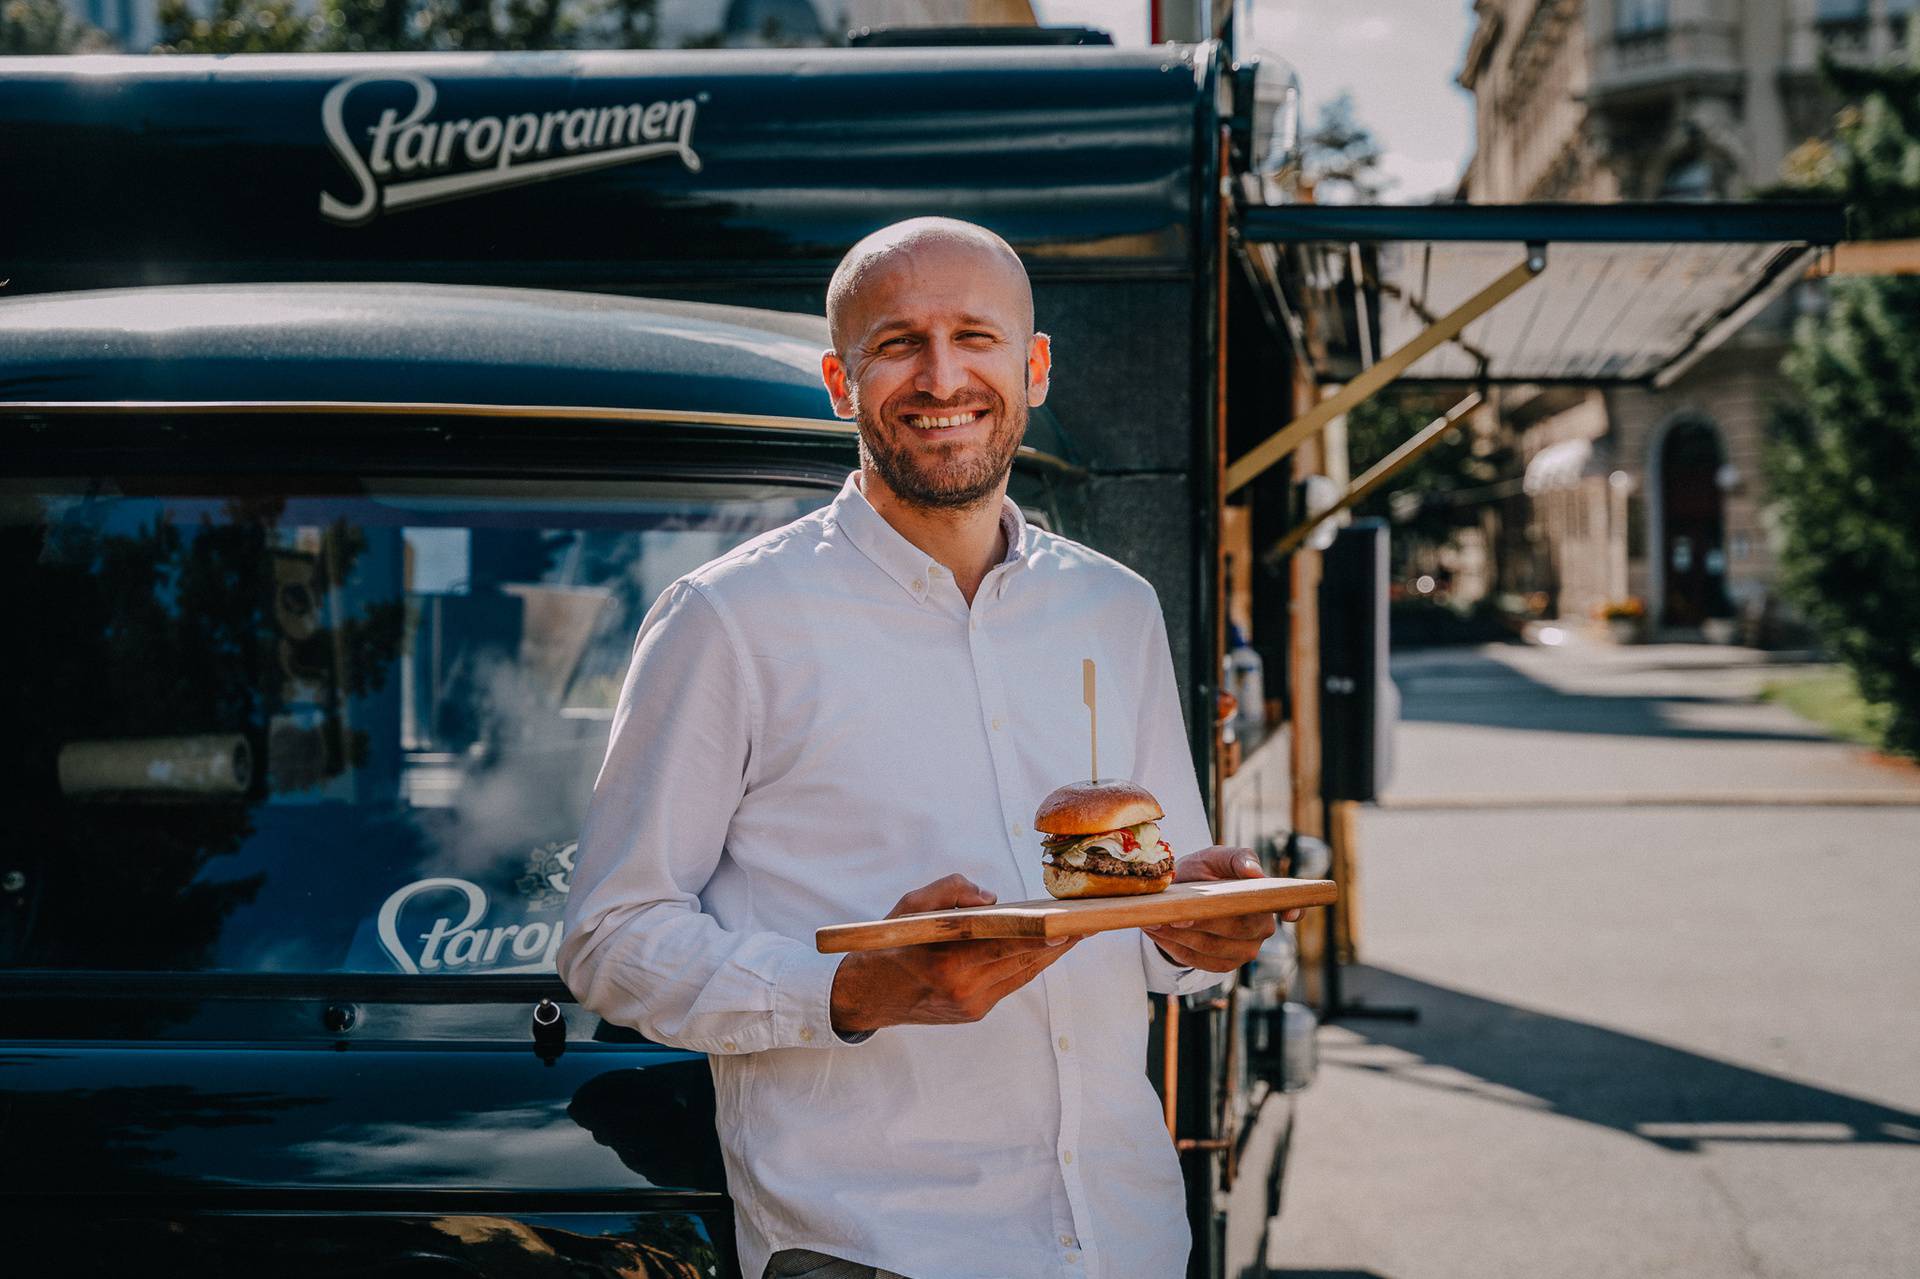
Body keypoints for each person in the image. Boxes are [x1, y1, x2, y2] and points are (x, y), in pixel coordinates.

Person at [559, 217, 1298, 1279]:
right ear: (838, 382)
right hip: (877, 1253)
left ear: (1033, 367)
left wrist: (1193, 928)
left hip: (1126, 1239)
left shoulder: (1113, 606)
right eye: (898, 342)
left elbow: (1132, 919)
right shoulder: (728, 618)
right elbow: (610, 937)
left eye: (976, 337)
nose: (942, 375)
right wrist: (852, 991)